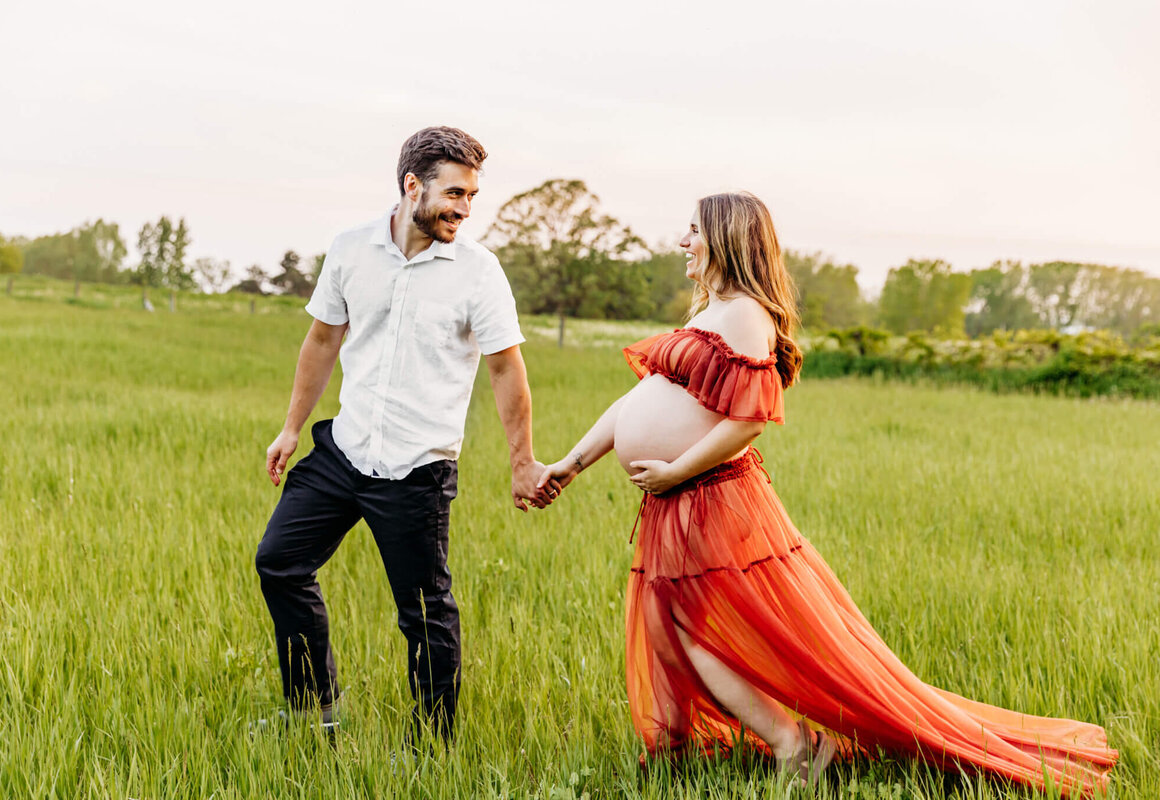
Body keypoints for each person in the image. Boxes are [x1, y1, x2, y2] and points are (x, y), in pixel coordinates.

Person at [537, 191, 1117, 794]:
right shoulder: (712, 310)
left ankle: (798, 746)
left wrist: (677, 471)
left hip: (707, 497)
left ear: (727, 237)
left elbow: (749, 419)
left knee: (696, 632)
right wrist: (570, 464)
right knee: (671, 630)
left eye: (693, 231)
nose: (683, 242)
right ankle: (714, 751)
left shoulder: (744, 315)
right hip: (676, 498)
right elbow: (638, 401)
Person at [255, 126, 558, 742]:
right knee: (280, 562)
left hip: (417, 470)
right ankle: (315, 710)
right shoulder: (349, 249)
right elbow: (321, 340)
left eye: (472, 196)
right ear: (411, 186)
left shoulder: (479, 272)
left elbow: (506, 368)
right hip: (345, 449)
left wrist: (522, 460)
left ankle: (429, 747)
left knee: (424, 615)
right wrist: (291, 429)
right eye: (454, 193)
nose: (465, 209)